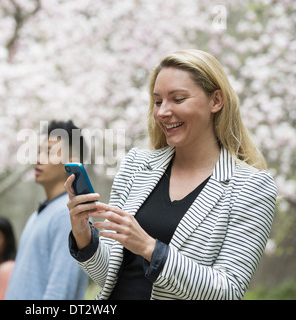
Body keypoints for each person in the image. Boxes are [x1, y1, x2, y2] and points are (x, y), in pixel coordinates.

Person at [66, 49, 278, 300]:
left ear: (216, 101)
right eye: (158, 101)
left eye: (177, 99)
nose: (162, 112)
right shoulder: (136, 165)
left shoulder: (251, 187)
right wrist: (83, 233)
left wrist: (150, 249)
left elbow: (228, 291)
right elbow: (108, 276)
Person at [5, 120, 89, 300]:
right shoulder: (43, 212)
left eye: (49, 152)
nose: (38, 158)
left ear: (73, 162)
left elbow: (60, 292)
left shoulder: (70, 216)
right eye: (38, 152)